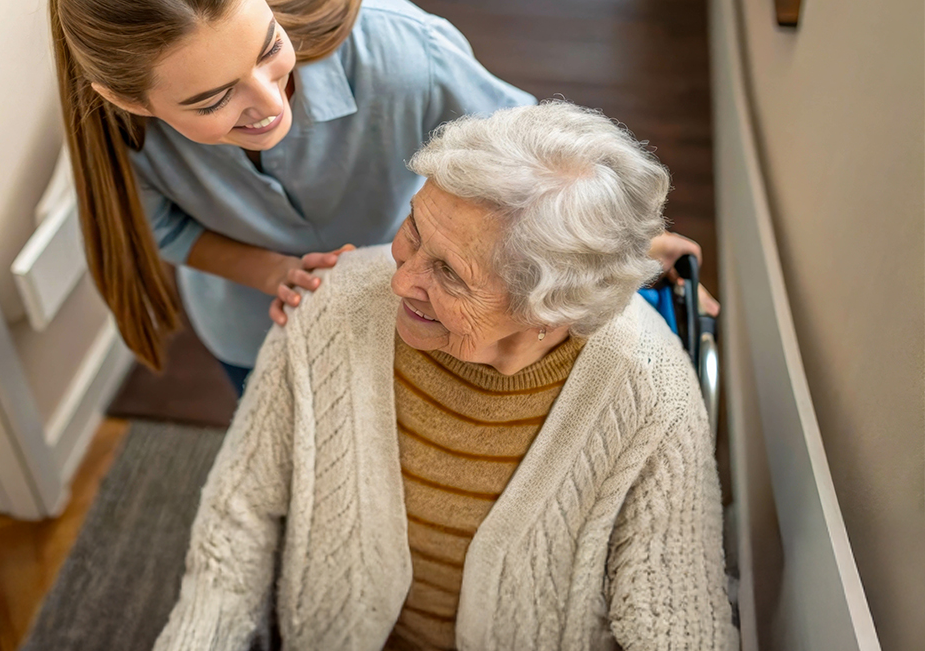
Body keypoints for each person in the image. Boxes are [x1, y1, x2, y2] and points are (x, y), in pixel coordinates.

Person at [49, 0, 710, 391]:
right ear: (130, 101)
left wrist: (632, 248)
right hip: (255, 332)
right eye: (212, 100)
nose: (270, 104)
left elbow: (535, 155)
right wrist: (272, 274)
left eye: (268, 48)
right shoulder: (118, 132)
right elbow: (162, 227)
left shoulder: (400, 53)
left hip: (419, 317)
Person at [154, 102, 737, 651]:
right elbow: (236, 524)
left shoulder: (652, 392)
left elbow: (675, 618)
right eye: (414, 229)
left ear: (550, 308)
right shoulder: (329, 307)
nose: (401, 279)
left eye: (450, 274)